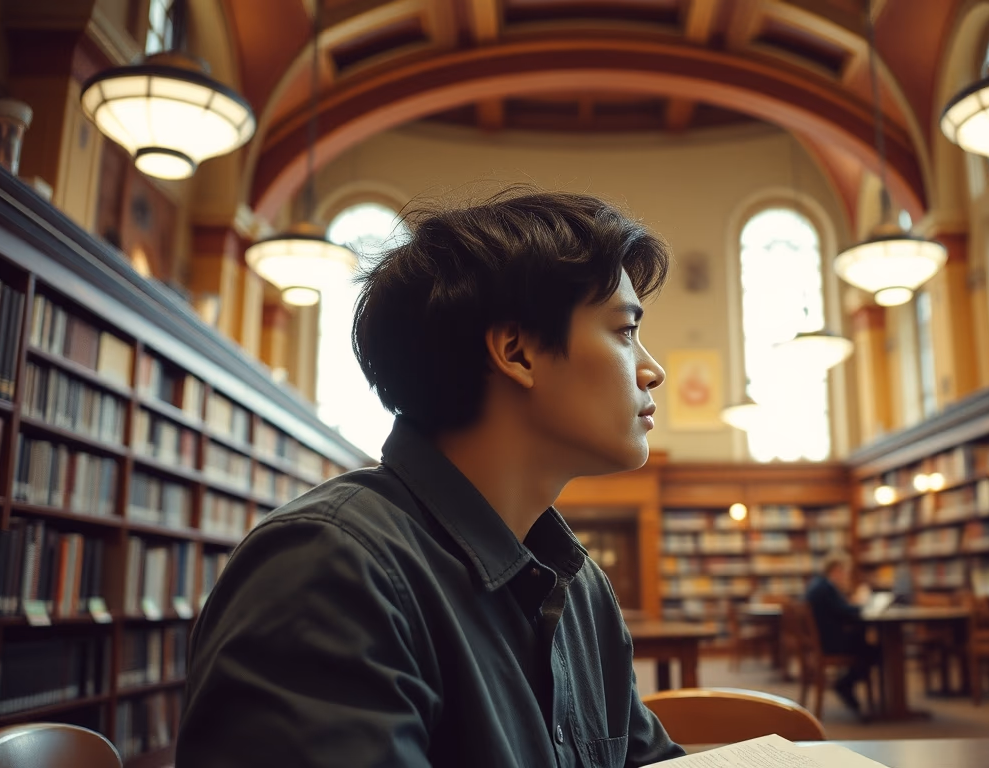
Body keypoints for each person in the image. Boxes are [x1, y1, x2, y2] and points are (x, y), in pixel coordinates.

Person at [176, 189, 683, 767]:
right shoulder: (331, 568)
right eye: (624, 331)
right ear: (517, 353)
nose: (653, 369)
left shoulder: (578, 586)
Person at [804, 553, 880, 718]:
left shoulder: (819, 585)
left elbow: (839, 610)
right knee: (876, 650)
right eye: (845, 572)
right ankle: (845, 684)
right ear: (836, 570)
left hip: (824, 640)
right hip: (830, 643)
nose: (846, 576)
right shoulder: (826, 588)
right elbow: (845, 612)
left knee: (867, 644)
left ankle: (847, 684)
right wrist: (862, 604)